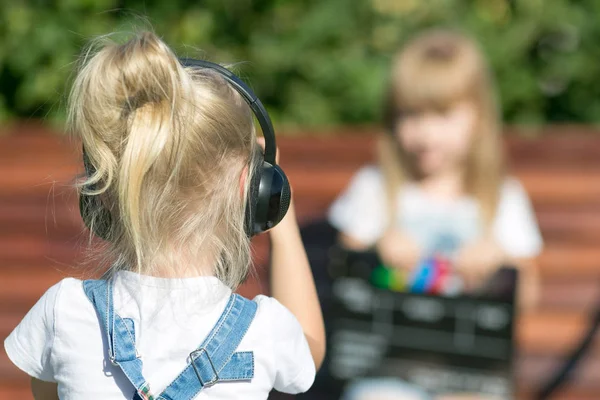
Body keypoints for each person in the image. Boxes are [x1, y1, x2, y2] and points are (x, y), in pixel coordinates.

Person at [4, 31, 325, 400]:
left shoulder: (64, 312)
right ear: (253, 192)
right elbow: (310, 351)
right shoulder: (266, 331)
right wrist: (283, 226)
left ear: (105, 193)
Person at [329, 29, 542, 308]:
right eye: (411, 114)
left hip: (467, 347)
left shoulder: (504, 197)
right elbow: (340, 276)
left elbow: (529, 297)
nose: (426, 134)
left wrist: (501, 261)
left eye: (443, 115)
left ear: (479, 116)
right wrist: (374, 253)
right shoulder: (374, 187)